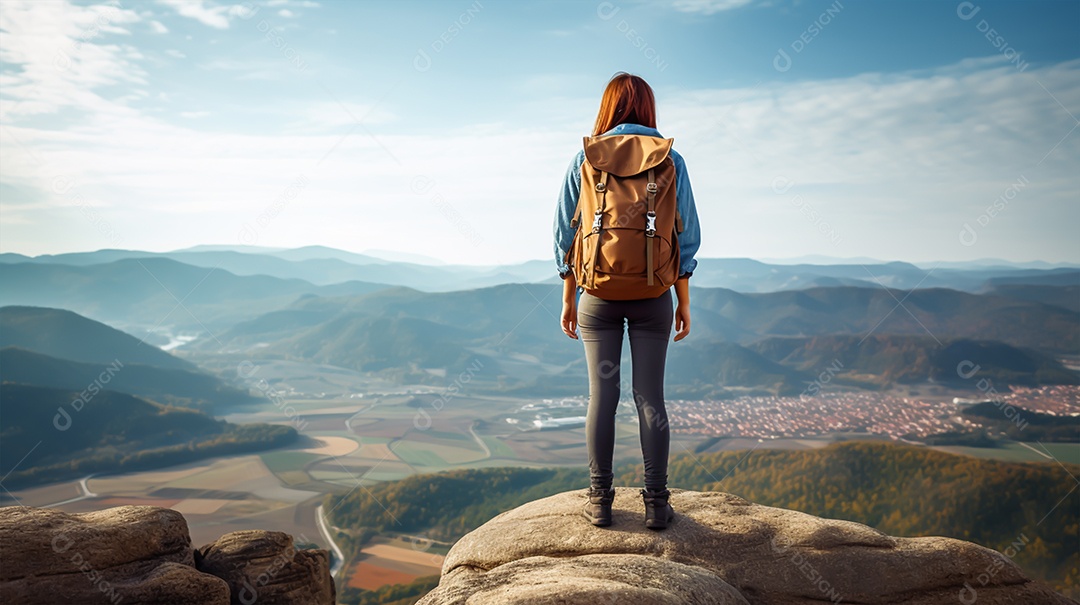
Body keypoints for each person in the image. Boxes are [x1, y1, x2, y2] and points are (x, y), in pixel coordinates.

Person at [552, 72, 701, 530]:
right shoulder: (670, 158)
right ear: (648, 108)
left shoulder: (585, 157)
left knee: (603, 396)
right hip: (654, 295)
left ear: (607, 108)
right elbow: (686, 236)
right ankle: (656, 503)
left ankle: (600, 501)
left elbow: (564, 236)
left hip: (596, 295)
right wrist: (683, 300)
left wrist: (569, 297)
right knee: (649, 397)